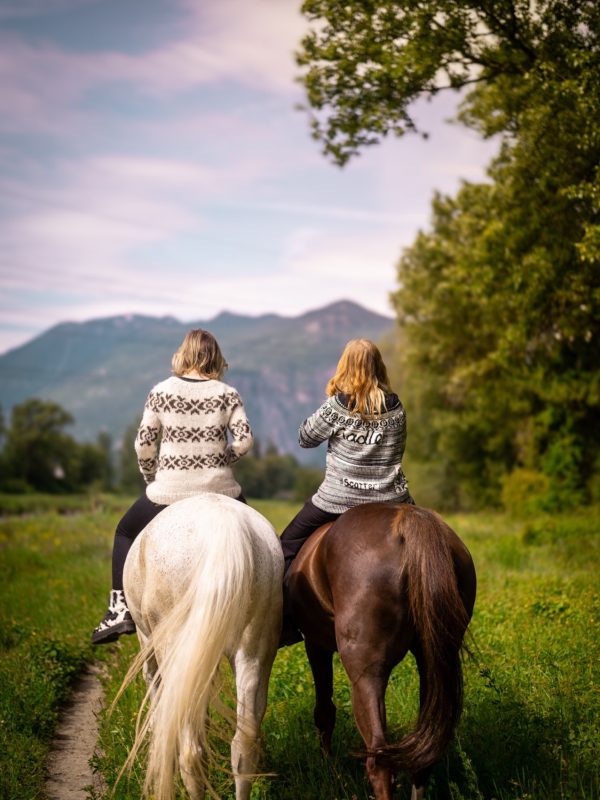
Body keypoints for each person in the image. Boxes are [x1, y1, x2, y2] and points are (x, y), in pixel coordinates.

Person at [91, 329, 253, 645]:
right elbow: (245, 441)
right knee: (262, 542)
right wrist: (222, 461)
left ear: (184, 354)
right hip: (221, 490)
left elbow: (144, 444)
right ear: (216, 358)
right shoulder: (227, 393)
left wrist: (151, 476)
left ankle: (119, 609)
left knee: (124, 531)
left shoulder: (161, 391)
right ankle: (282, 612)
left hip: (169, 490)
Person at [279, 338, 414, 643]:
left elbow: (305, 437)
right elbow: (397, 451)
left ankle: (286, 621)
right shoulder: (396, 407)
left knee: (285, 547)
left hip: (338, 499)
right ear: (378, 366)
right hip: (391, 499)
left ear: (345, 366)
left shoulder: (338, 405)